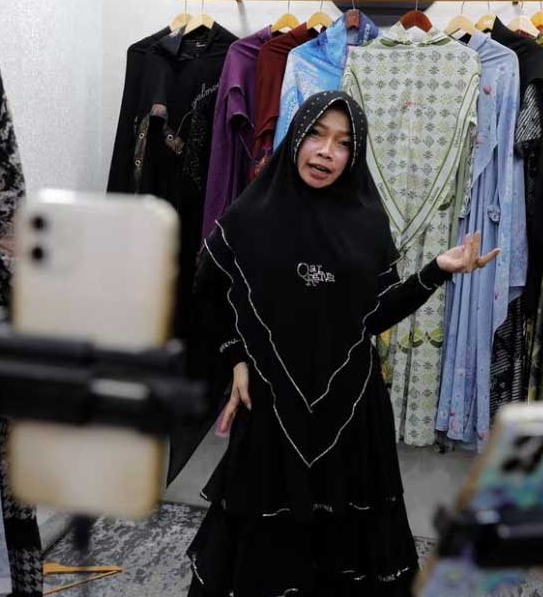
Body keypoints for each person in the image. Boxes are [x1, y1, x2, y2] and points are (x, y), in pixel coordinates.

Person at [182, 91, 499, 597]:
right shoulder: (251, 215)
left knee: (344, 550)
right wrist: (236, 358)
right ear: (295, 137)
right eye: (316, 134)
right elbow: (207, 289)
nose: (327, 151)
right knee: (261, 547)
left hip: (349, 408)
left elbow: (377, 314)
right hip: (271, 404)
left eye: (344, 142)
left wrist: (437, 270)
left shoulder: (366, 221)